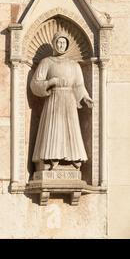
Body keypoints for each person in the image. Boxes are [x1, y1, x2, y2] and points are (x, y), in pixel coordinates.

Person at [30, 32, 93, 170]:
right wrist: (50, 82)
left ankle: (73, 157)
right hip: (54, 98)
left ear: (67, 45)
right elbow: (35, 83)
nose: (61, 45)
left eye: (64, 43)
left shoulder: (74, 65)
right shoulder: (46, 62)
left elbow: (79, 85)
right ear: (54, 43)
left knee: (71, 128)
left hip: (69, 100)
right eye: (59, 42)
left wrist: (85, 97)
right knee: (54, 127)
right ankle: (51, 158)